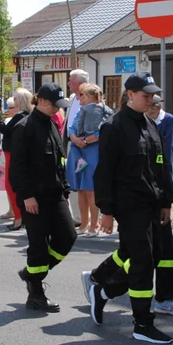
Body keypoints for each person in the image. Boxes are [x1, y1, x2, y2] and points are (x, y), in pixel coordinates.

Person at [82, 73, 173, 345]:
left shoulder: (151, 125)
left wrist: (166, 202)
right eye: (146, 95)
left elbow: (162, 166)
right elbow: (105, 172)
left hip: (152, 205)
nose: (151, 100)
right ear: (130, 94)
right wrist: (107, 212)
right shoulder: (113, 127)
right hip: (128, 206)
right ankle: (143, 323)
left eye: (152, 96)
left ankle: (102, 291)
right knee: (142, 262)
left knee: (145, 256)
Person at [10, 83, 76, 312]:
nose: (59, 109)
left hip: (55, 194)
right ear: (44, 102)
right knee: (38, 246)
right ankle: (36, 294)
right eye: (56, 105)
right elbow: (17, 167)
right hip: (33, 198)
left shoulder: (52, 124)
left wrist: (65, 191)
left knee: (68, 236)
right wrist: (27, 196)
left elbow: (60, 162)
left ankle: (32, 273)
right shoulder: (24, 127)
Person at [146, 93, 173, 318]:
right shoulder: (126, 125)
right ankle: (101, 280)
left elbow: (166, 160)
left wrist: (167, 200)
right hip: (139, 199)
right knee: (138, 253)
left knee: (165, 251)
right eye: (149, 102)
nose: (153, 107)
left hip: (159, 191)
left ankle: (165, 298)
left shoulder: (165, 122)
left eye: (155, 104)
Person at [67, 83, 112, 237]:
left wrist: (86, 140)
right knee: (80, 189)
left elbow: (104, 131)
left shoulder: (105, 112)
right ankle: (84, 223)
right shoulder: (81, 112)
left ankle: (94, 224)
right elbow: (71, 127)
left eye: (83, 95)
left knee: (91, 190)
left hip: (93, 152)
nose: (80, 99)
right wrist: (74, 138)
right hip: (78, 151)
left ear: (92, 96)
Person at [0, 89, 31, 231]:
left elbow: (5, 130)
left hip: (12, 153)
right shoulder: (23, 116)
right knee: (10, 185)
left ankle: (19, 218)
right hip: (10, 152)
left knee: (11, 186)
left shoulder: (20, 117)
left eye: (16, 99)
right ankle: (19, 216)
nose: (14, 101)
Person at [63, 69, 89, 227]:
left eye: (70, 81)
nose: (68, 84)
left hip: (84, 145)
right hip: (71, 144)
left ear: (80, 83)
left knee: (86, 182)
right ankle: (78, 216)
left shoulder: (91, 97)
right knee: (72, 181)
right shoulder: (73, 98)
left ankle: (88, 218)